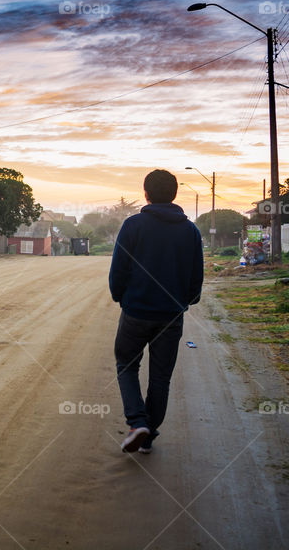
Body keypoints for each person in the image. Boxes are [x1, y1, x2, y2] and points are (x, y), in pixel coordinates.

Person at [109, 169, 204, 454]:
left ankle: (137, 422)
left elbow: (119, 270)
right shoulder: (190, 231)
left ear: (146, 193)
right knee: (160, 378)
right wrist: (186, 301)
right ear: (174, 194)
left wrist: (121, 297)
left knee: (126, 364)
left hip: (136, 312)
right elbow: (196, 276)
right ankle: (147, 437)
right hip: (171, 316)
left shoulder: (133, 225)